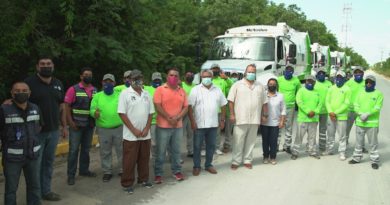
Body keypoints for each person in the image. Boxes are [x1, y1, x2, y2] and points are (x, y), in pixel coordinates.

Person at [24, 57, 66, 201]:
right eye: (42, 64)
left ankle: (46, 191)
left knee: (48, 163)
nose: (46, 66)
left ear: (53, 66)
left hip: (54, 131)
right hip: (36, 133)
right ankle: (34, 196)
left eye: (48, 64)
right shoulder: (28, 83)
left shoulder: (58, 83)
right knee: (35, 165)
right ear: (37, 67)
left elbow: (62, 107)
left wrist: (64, 127)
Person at [1, 82, 41, 205]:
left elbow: (39, 127)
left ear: (29, 93)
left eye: (24, 90)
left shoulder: (35, 108)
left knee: (34, 186)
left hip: (32, 156)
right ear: (12, 93)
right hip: (12, 158)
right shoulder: (4, 109)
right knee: (11, 190)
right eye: (17, 91)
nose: (21, 93)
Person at [118, 70, 154, 194]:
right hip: (130, 135)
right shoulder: (125, 93)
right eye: (134, 78)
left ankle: (143, 179)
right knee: (129, 160)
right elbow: (122, 113)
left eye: (139, 78)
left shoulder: (147, 94)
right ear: (130, 80)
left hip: (145, 134)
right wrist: (133, 130)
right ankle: (127, 183)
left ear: (142, 79)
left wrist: (146, 128)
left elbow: (151, 113)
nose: (137, 80)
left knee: (144, 158)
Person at [228, 64, 268, 170]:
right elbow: (230, 100)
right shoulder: (237, 85)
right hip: (240, 118)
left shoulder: (260, 86)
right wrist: (232, 114)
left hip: (255, 119)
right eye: (249, 71)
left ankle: (247, 160)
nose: (251, 73)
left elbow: (264, 102)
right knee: (238, 141)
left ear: (255, 73)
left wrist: (265, 115)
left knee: (251, 141)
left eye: (253, 72)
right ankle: (236, 161)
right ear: (245, 73)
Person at [188, 70, 227, 176]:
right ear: (201, 77)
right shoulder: (195, 90)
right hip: (199, 124)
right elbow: (189, 107)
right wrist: (192, 121)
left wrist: (222, 120)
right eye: (204, 76)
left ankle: (208, 165)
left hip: (213, 124)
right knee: (197, 146)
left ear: (212, 77)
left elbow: (224, 105)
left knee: (211, 146)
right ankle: (196, 166)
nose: (206, 78)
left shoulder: (217, 90)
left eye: (208, 76)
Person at [153, 67, 188, 183]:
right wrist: (168, 118)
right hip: (163, 126)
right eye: (171, 75)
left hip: (177, 126)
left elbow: (186, 107)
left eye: (176, 76)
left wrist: (177, 118)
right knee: (161, 151)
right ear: (167, 76)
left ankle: (177, 171)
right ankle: (158, 174)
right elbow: (158, 106)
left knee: (177, 151)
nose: (173, 77)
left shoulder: (182, 91)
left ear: (179, 78)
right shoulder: (160, 89)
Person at [65, 67, 97, 185]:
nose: (88, 76)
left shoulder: (94, 90)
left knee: (86, 149)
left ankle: (84, 170)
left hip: (89, 125)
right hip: (76, 125)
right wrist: (70, 122)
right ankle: (71, 175)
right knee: (73, 150)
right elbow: (67, 106)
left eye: (90, 74)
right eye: (85, 74)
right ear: (81, 76)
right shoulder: (73, 89)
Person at [90, 74, 123, 182]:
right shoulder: (97, 96)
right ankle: (107, 171)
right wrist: (95, 113)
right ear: (102, 83)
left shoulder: (119, 94)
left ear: (114, 83)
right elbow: (92, 109)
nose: (108, 83)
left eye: (110, 82)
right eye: (105, 81)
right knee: (105, 151)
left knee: (121, 150)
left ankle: (122, 169)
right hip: (103, 129)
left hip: (119, 127)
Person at [349, 75, 383, 170]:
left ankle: (374, 161)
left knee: (373, 143)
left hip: (372, 123)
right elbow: (356, 105)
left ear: (374, 84)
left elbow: (377, 107)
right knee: (359, 143)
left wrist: (368, 114)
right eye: (367, 82)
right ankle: (356, 158)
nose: (369, 84)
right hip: (360, 122)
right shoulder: (360, 93)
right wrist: (360, 114)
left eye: (371, 82)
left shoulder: (378, 94)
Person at [291, 75, 322, 160]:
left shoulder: (317, 92)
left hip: (313, 118)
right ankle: (295, 152)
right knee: (299, 136)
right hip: (303, 118)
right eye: (308, 81)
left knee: (312, 137)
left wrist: (314, 112)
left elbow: (320, 104)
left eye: (312, 81)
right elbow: (299, 102)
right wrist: (308, 111)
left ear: (315, 83)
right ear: (305, 82)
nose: (310, 83)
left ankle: (312, 151)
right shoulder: (301, 91)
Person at [324, 71, 351, 160]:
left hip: (342, 116)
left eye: (340, 78)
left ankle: (342, 152)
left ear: (344, 79)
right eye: (337, 77)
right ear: (335, 78)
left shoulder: (347, 89)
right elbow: (327, 101)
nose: (338, 79)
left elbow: (346, 103)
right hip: (331, 116)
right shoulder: (331, 88)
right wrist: (330, 112)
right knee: (330, 134)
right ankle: (330, 149)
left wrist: (335, 113)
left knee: (342, 135)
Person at [260, 78, 286, 165]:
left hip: (275, 123)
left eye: (273, 84)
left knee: (273, 141)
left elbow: (283, 110)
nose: (272, 85)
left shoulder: (280, 96)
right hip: (264, 122)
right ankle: (265, 156)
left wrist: (282, 121)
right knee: (265, 141)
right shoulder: (263, 95)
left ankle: (273, 157)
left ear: (276, 85)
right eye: (270, 84)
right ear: (267, 85)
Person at [277, 66, 301, 153]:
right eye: (287, 71)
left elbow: (299, 93)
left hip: (290, 106)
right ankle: (276, 145)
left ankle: (287, 146)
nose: (288, 72)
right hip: (279, 106)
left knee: (289, 127)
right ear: (284, 71)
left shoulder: (296, 80)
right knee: (278, 126)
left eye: (291, 71)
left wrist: (298, 105)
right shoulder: (279, 79)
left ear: (293, 72)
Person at [211, 64, 233, 155]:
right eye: (213, 69)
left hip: (222, 109)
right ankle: (208, 147)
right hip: (210, 109)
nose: (215, 70)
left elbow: (231, 85)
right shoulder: (208, 80)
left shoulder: (223, 81)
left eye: (217, 69)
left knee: (218, 130)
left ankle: (218, 147)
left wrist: (226, 78)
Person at [144, 72, 163, 160]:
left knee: (164, 140)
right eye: (155, 80)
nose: (157, 81)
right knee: (154, 142)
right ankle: (155, 157)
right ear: (152, 80)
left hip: (164, 120)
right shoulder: (146, 89)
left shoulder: (164, 88)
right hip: (153, 120)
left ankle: (169, 156)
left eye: (158, 80)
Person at [313, 67, 332, 152]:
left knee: (323, 130)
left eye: (323, 73)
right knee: (312, 130)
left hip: (325, 111)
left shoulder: (329, 83)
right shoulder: (314, 83)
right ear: (316, 74)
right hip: (315, 111)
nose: (321, 75)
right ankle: (311, 147)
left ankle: (322, 147)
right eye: (320, 73)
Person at [345, 66, 365, 146]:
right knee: (346, 129)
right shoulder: (349, 83)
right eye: (356, 72)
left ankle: (361, 146)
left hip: (361, 111)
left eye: (359, 72)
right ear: (353, 74)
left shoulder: (366, 83)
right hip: (350, 110)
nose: (358, 74)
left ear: (363, 73)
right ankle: (344, 144)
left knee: (361, 130)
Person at [181, 71, 195, 157]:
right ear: (184, 76)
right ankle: (177, 153)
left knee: (191, 133)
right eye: (188, 75)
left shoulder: (195, 86)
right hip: (182, 112)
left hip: (192, 112)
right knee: (180, 134)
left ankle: (191, 151)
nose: (190, 76)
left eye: (191, 75)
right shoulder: (181, 85)